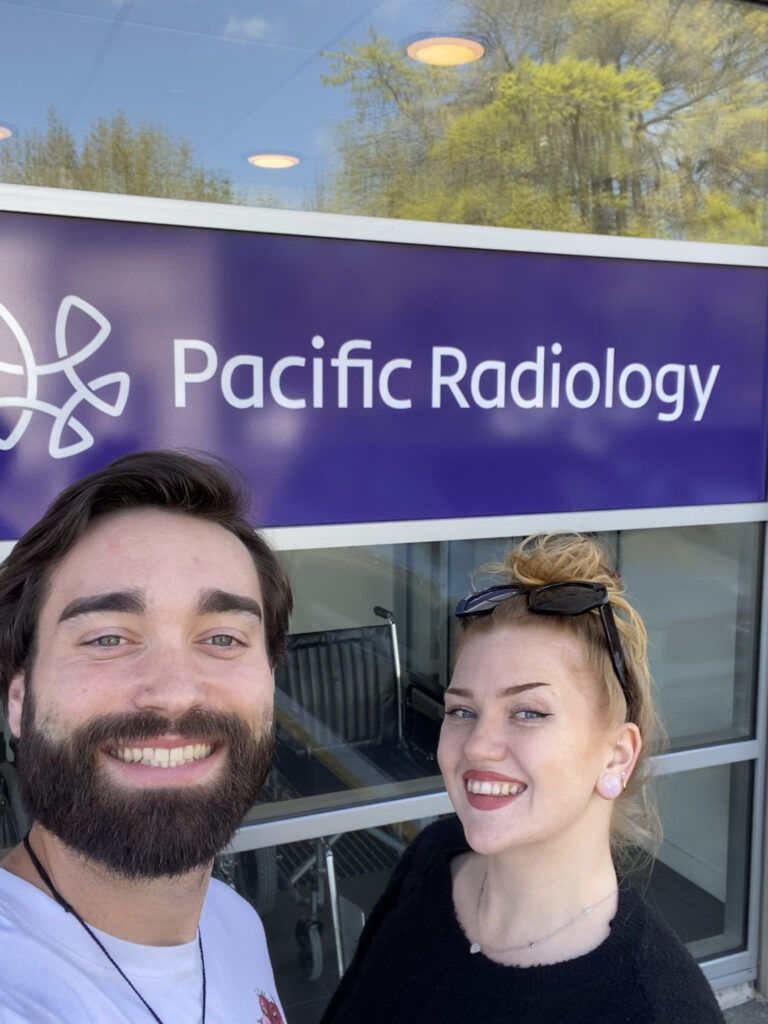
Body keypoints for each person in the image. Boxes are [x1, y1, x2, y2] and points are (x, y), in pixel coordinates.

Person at [321, 533, 725, 1024]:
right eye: (463, 710)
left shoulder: (659, 1009)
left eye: (529, 712)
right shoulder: (434, 858)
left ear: (617, 757)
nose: (476, 745)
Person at [0, 449, 293, 1024]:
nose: (175, 692)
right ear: (18, 700)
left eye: (224, 638)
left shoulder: (233, 922)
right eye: (108, 638)